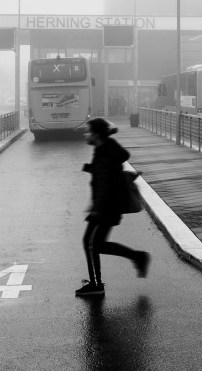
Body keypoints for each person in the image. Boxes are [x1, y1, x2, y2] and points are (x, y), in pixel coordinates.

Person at [76, 117, 150, 297]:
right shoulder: (106, 149)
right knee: (97, 244)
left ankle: (96, 284)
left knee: (91, 243)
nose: (85, 134)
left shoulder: (104, 153)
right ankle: (137, 257)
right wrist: (90, 168)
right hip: (110, 206)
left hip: (106, 207)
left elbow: (104, 183)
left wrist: (97, 209)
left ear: (96, 134)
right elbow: (108, 174)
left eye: (88, 131)